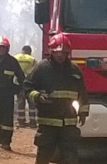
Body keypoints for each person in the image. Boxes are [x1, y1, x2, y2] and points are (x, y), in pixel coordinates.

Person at [24, 33, 89, 164]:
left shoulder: (74, 70)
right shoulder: (41, 68)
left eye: (63, 53)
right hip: (48, 122)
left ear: (67, 53)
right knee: (44, 155)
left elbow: (82, 93)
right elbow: (27, 86)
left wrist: (83, 112)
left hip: (69, 122)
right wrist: (37, 96)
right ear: (51, 52)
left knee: (70, 155)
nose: (60, 56)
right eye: (57, 52)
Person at [14, 45, 37, 128]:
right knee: (32, 104)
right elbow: (35, 72)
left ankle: (21, 122)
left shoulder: (16, 57)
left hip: (18, 83)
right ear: (30, 51)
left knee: (20, 103)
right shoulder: (32, 59)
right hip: (29, 84)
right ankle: (32, 122)